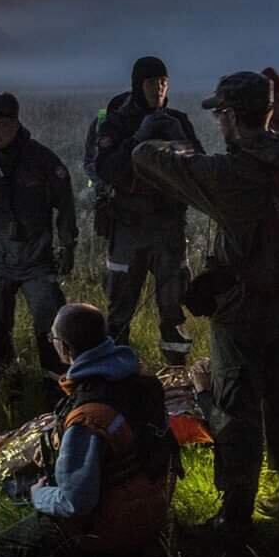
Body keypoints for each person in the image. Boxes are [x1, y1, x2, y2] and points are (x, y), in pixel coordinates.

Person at [131, 72, 279, 536]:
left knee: (236, 407)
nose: (218, 122)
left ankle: (235, 514)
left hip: (244, 312)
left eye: (220, 114)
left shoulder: (232, 177)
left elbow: (145, 157)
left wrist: (173, 146)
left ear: (234, 117)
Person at [0, 304, 179, 557]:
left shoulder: (89, 416)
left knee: (10, 545)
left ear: (65, 348)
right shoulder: (142, 382)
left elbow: (75, 502)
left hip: (114, 527)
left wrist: (39, 495)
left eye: (53, 339)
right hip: (154, 509)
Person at [0, 93, 78, 398]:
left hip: (37, 261)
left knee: (50, 328)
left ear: (16, 122)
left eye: (1, 124)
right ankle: (7, 385)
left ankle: (56, 389)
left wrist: (68, 244)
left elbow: (65, 203)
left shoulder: (41, 160)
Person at [93, 56, 203, 366]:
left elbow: (198, 167)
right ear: (138, 85)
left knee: (173, 306)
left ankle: (177, 372)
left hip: (169, 226)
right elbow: (106, 168)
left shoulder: (177, 119)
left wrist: (178, 138)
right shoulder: (116, 122)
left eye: (164, 82)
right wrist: (138, 139)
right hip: (128, 226)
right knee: (120, 310)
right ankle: (117, 374)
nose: (159, 88)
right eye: (152, 82)